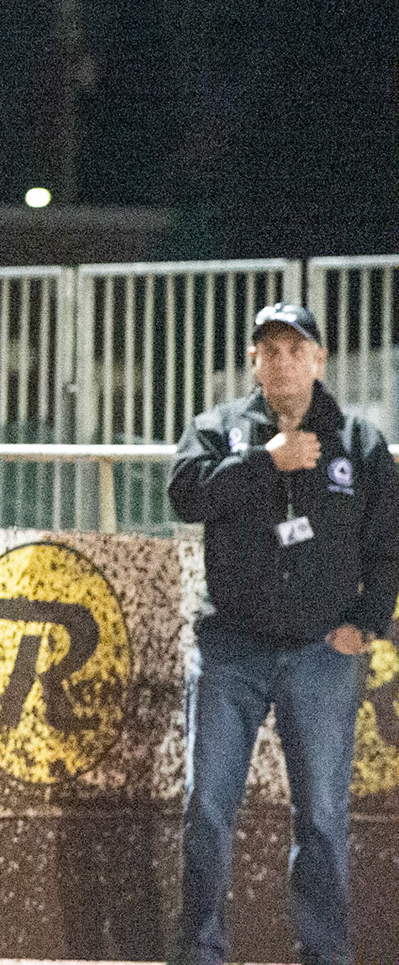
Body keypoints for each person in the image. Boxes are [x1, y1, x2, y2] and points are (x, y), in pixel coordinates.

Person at [167, 302, 398, 965]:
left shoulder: (358, 440)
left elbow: (388, 542)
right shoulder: (217, 429)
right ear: (253, 362)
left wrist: (366, 623)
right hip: (230, 648)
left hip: (322, 653)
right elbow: (184, 496)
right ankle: (199, 952)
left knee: (322, 817)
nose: (283, 362)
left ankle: (325, 954)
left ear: (319, 360)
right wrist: (264, 463)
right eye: (270, 350)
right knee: (208, 809)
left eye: (296, 350)